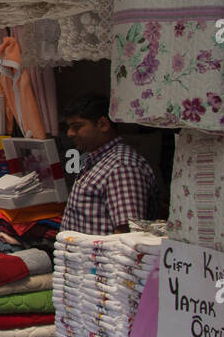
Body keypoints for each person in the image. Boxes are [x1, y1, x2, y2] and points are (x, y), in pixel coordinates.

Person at [61, 95, 160, 234]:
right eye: (69, 127)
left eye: (77, 127)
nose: (70, 133)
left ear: (103, 124)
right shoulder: (98, 160)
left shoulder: (122, 168)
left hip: (101, 255)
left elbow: (126, 234)